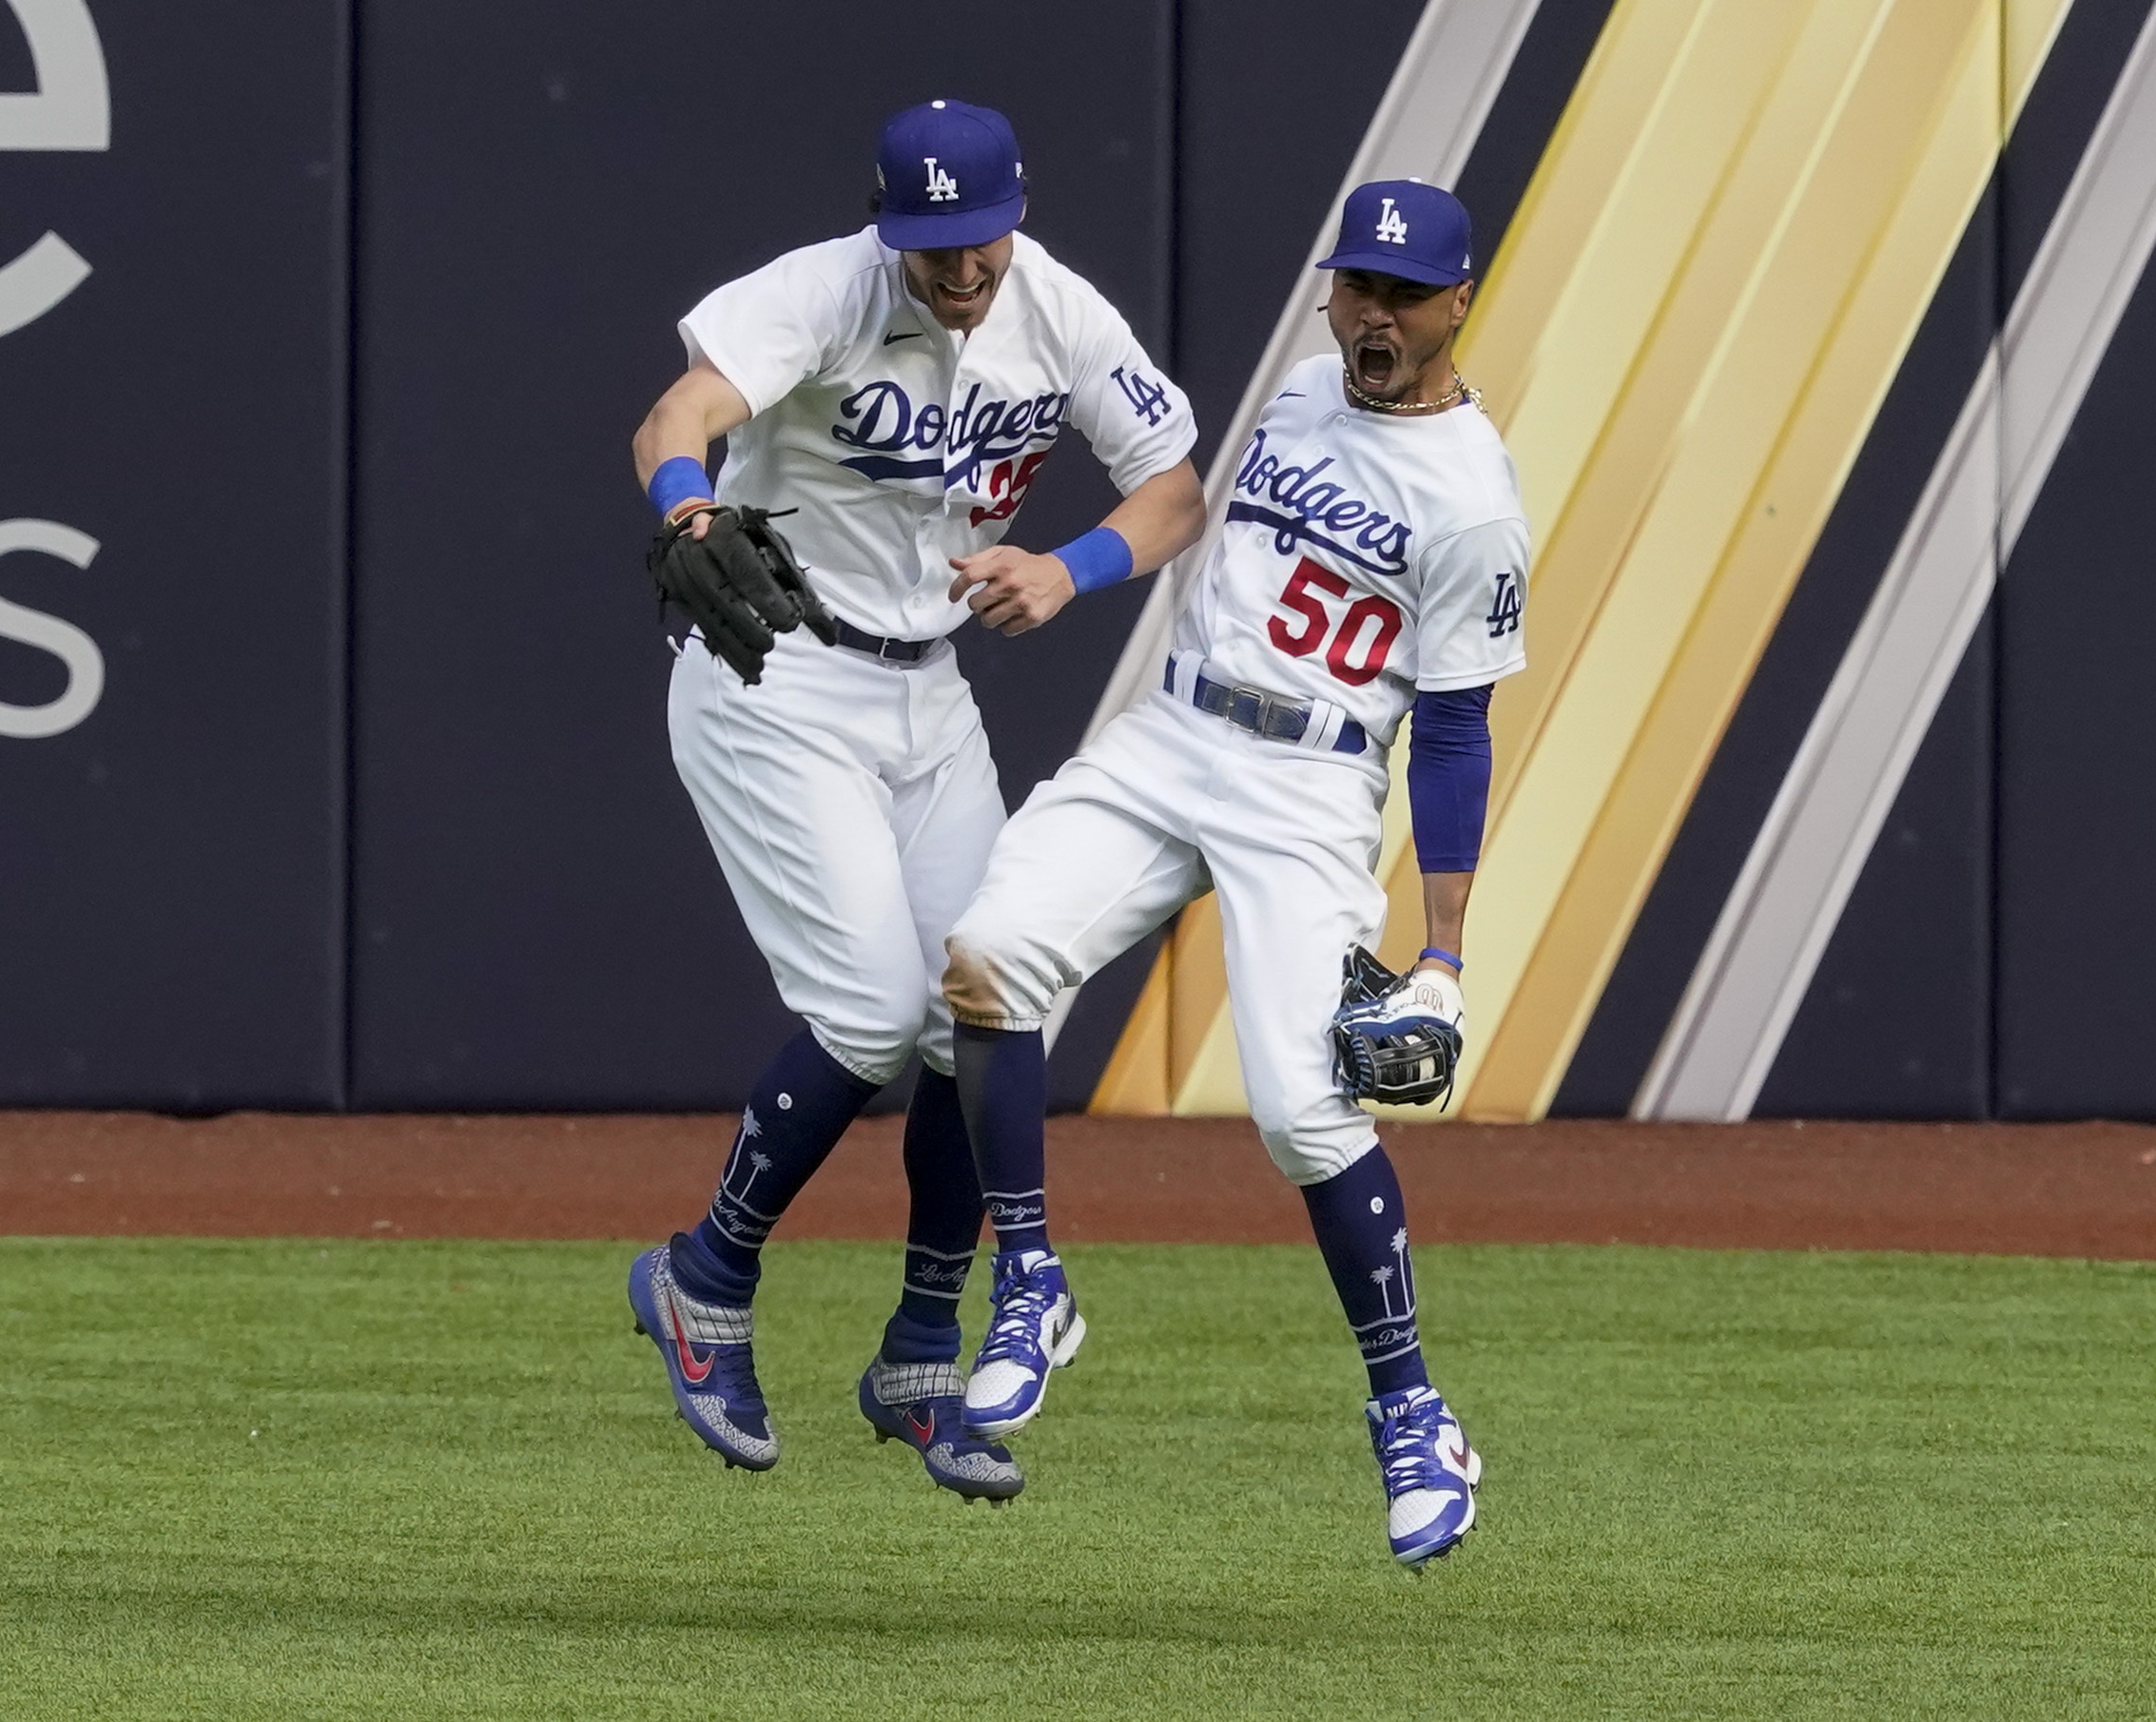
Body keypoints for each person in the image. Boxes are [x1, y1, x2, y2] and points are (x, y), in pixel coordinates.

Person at [622, 99, 1206, 1503]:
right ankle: (704, 1276)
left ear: (1018, 210)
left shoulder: (1057, 310)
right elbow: (675, 416)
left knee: (985, 1000)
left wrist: (1071, 569)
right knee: (875, 1014)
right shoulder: (827, 289)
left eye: (978, 238)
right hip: (778, 666)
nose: (958, 268)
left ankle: (922, 1350)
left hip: (925, 689)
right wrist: (693, 511)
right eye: (930, 242)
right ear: (891, 226)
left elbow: (1174, 490)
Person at [939, 181, 1527, 1564]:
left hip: (1311, 782)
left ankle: (1413, 1413)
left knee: (1302, 1117)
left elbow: (1452, 732)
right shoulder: (1308, 390)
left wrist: (1442, 952)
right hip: (1176, 731)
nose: (1373, 316)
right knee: (985, 954)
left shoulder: (1474, 500)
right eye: (1357, 287)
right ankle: (1029, 1278)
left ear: (1458, 304)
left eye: (1403, 296)